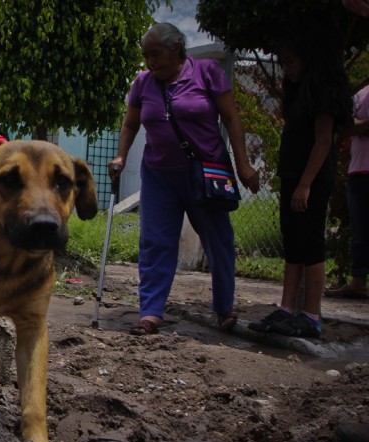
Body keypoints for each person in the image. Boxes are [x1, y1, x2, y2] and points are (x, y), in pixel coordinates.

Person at [107, 22, 259, 336]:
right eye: (146, 56)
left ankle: (224, 308)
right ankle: (151, 313)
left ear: (176, 47)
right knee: (155, 242)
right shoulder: (143, 82)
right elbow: (130, 124)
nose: (150, 62)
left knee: (218, 239)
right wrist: (121, 156)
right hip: (159, 175)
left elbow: (231, 118)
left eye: (156, 54)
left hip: (205, 172)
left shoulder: (207, 72)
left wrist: (243, 165)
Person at [248, 34, 352, 337]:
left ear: (308, 60)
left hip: (313, 178)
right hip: (294, 175)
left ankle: (311, 315)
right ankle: (286, 308)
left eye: (291, 61)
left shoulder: (323, 92)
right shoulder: (298, 92)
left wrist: (305, 184)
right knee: (293, 243)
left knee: (310, 243)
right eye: (283, 63)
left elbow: (323, 141)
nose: (287, 68)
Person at [324, 84, 369, 299]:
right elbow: (344, 126)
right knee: (360, 231)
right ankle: (358, 282)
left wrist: (359, 126)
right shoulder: (360, 95)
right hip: (359, 170)